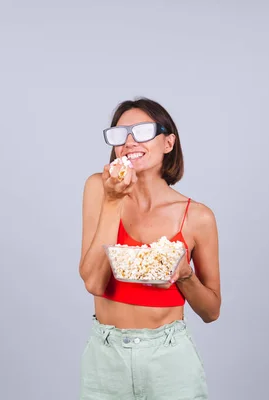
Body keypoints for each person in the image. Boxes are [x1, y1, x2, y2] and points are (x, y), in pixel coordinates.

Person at [79, 97, 221, 399]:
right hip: (106, 354)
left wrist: (185, 275)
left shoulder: (197, 217)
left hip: (169, 357)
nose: (129, 141)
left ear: (168, 143)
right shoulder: (98, 188)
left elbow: (211, 311)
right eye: (120, 134)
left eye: (142, 131)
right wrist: (114, 200)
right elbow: (93, 282)